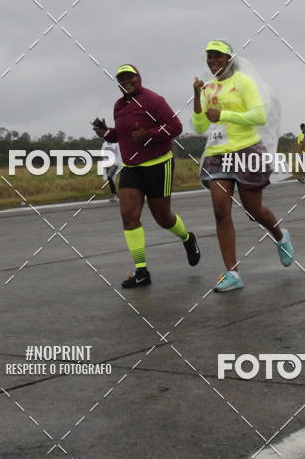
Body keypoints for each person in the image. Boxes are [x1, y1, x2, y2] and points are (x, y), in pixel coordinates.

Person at [192, 40, 294, 293]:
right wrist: (197, 95)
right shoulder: (208, 87)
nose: (212, 60)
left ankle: (281, 237)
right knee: (220, 211)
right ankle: (232, 273)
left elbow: (260, 116)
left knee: (253, 211)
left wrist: (225, 115)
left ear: (228, 58)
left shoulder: (243, 82)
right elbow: (200, 127)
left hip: (247, 149)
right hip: (218, 154)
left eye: (217, 55)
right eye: (209, 56)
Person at [93, 65, 200, 288]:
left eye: (130, 77)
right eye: (122, 79)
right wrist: (106, 132)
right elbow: (122, 135)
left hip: (158, 165)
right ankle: (142, 271)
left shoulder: (153, 100)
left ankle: (188, 239)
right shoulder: (119, 105)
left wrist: (149, 135)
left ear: (138, 78)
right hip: (131, 168)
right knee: (128, 216)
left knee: (163, 218)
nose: (127, 81)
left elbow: (175, 126)